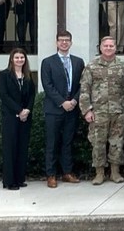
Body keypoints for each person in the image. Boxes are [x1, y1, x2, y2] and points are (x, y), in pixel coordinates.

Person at [79, 37, 124, 185]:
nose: (108, 48)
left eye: (111, 45)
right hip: (98, 112)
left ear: (115, 48)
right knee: (98, 143)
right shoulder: (91, 66)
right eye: (105, 46)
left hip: (118, 111)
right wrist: (87, 110)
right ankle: (99, 173)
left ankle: (115, 172)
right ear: (100, 48)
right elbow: (84, 89)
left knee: (117, 142)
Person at [39, 31, 84, 188]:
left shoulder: (78, 62)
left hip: (72, 108)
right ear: (56, 43)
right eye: (61, 40)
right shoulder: (47, 62)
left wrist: (74, 101)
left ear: (71, 42)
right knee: (52, 143)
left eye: (67, 40)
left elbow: (82, 85)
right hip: (54, 109)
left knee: (68, 142)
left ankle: (67, 172)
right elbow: (47, 85)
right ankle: (51, 175)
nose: (64, 43)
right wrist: (62, 102)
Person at [0, 48, 36, 190]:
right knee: (10, 149)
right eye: (17, 58)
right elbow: (4, 96)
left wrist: (27, 110)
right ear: (12, 60)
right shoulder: (4, 75)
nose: (19, 60)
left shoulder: (28, 76)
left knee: (22, 148)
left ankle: (20, 179)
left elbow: (32, 94)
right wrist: (19, 110)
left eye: (22, 58)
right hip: (10, 118)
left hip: (25, 118)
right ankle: (9, 181)